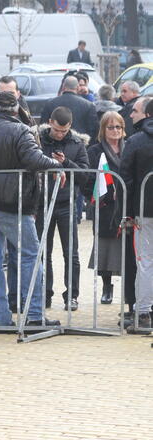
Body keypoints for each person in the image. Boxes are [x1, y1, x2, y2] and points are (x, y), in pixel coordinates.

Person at [0, 92, 64, 326]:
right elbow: (34, 159)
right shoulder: (20, 131)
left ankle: (0, 315)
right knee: (30, 255)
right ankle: (34, 314)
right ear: (16, 109)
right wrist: (56, 165)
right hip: (13, 203)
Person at [36, 106, 89, 311]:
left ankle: (72, 295)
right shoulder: (38, 140)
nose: (59, 134)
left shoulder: (76, 143)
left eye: (64, 131)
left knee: (71, 253)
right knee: (43, 252)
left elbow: (85, 174)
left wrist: (65, 163)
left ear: (70, 127)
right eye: (57, 130)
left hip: (66, 203)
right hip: (43, 202)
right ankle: (44, 293)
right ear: (50, 122)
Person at [84, 111, 137, 311]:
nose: (115, 131)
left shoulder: (130, 147)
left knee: (129, 251)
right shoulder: (95, 151)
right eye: (110, 127)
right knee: (106, 248)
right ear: (103, 129)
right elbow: (88, 180)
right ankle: (107, 286)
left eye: (118, 127)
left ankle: (130, 294)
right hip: (106, 207)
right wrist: (99, 197)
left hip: (126, 206)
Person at [120, 99, 153, 333]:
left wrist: (128, 213)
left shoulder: (135, 141)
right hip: (143, 209)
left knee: (145, 262)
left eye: (135, 110)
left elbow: (125, 180)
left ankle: (142, 314)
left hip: (144, 211)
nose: (131, 114)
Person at [40, 76, 99, 142]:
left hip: (54, 144)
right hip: (80, 144)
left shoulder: (50, 103)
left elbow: (43, 127)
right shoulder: (89, 105)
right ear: (77, 87)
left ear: (63, 87)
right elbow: (93, 130)